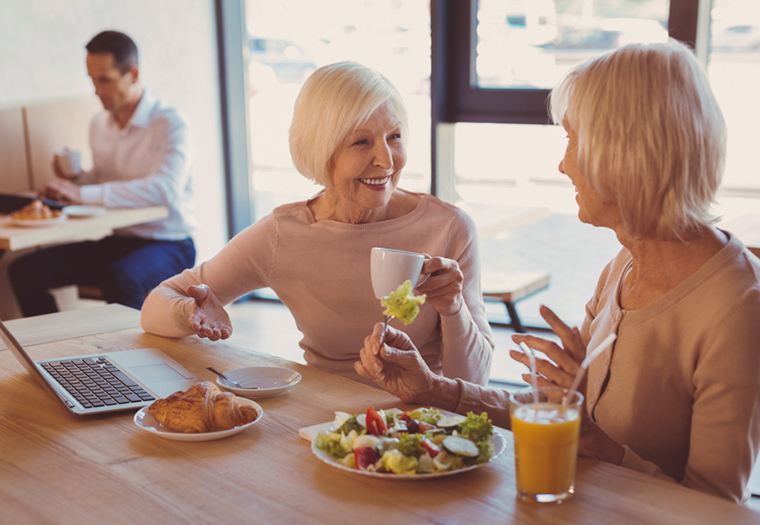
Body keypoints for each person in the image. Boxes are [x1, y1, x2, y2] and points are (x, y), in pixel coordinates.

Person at [355, 40, 760, 503]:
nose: (563, 164)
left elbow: (720, 508)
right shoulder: (625, 266)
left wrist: (599, 446)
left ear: (623, 151)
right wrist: (433, 389)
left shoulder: (738, 307)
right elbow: (558, 415)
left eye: (572, 139)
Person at [141, 61, 494, 386]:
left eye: (395, 137)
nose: (386, 160)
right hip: (324, 423)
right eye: (361, 141)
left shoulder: (449, 228)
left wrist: (453, 308)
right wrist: (192, 311)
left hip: (421, 422)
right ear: (320, 150)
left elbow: (475, 383)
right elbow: (156, 306)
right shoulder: (283, 234)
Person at [9, 30, 196, 316]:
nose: (96, 89)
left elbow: (165, 190)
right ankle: (61, 351)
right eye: (92, 79)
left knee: (121, 278)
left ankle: (129, 358)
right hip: (119, 241)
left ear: (133, 74)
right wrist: (74, 181)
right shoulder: (99, 123)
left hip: (169, 243)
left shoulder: (170, 123)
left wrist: (82, 193)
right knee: (25, 270)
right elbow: (102, 182)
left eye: (104, 79)